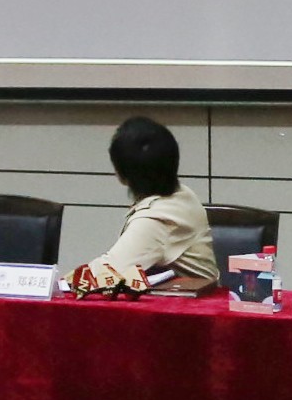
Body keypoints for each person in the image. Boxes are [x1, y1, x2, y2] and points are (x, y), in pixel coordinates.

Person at [87, 116, 218, 291]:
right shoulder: (182, 194)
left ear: (122, 174)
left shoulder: (159, 219)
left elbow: (103, 275)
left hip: (190, 305)